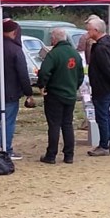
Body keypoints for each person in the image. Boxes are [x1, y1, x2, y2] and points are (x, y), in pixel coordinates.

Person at [0, 19, 34, 160]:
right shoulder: (16, 49)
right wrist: (28, 93)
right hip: (11, 92)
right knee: (8, 121)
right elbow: (23, 73)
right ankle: (7, 149)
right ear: (14, 32)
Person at [35, 27, 84, 164]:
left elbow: (44, 72)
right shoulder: (75, 54)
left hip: (55, 94)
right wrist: (74, 87)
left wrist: (41, 85)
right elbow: (80, 75)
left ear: (54, 39)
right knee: (67, 124)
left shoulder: (53, 54)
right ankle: (69, 155)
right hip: (70, 94)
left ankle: (51, 155)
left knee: (54, 125)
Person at [85, 17, 110, 156]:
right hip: (108, 84)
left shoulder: (101, 47)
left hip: (102, 85)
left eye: (89, 29)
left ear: (96, 30)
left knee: (101, 115)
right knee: (105, 113)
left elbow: (107, 68)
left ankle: (104, 145)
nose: (87, 32)